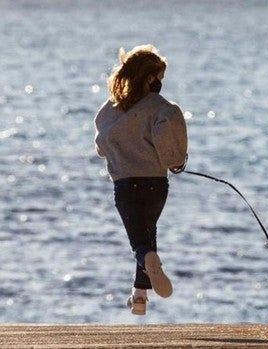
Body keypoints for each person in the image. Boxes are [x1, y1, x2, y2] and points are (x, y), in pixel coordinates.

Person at [94, 44, 188, 316]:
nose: (160, 83)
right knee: (148, 235)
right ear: (150, 77)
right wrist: (178, 162)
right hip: (157, 186)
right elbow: (173, 157)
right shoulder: (164, 108)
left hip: (125, 186)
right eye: (159, 77)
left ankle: (142, 286)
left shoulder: (109, 110)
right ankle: (140, 296)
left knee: (140, 244)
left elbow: (101, 148)